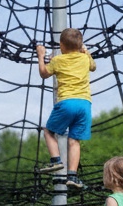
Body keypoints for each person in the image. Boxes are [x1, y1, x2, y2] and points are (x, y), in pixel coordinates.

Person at [35, 27, 96, 189]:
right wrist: (86, 51)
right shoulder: (84, 59)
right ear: (80, 45)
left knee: (48, 131)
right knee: (74, 140)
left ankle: (56, 161)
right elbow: (93, 66)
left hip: (66, 103)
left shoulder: (57, 60)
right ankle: (73, 176)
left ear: (61, 45)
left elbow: (44, 73)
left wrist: (41, 56)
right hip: (85, 104)